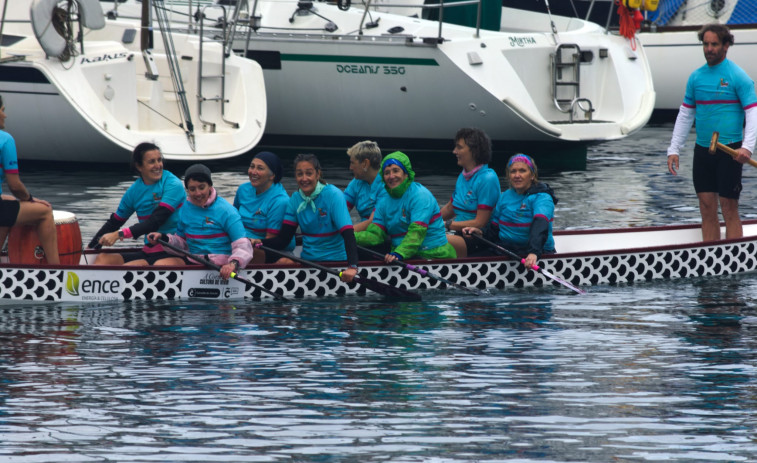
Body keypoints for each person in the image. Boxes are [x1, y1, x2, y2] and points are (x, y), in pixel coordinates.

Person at [666, 23, 757, 241]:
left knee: (728, 208)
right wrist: (674, 149)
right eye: (706, 44)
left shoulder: (738, 76)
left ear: (726, 46)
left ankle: (734, 260)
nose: (709, 49)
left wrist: (747, 147)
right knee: (706, 208)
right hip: (703, 151)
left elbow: (753, 113)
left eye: (714, 44)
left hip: (731, 151)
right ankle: (711, 257)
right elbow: (686, 115)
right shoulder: (696, 78)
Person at [254, 153, 358, 283]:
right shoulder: (296, 199)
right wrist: (257, 242)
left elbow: (348, 234)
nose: (304, 178)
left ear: (318, 174)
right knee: (283, 262)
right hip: (309, 262)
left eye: (309, 173)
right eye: (299, 174)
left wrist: (352, 267)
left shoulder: (333, 195)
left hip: (336, 264)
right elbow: (283, 240)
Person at [147, 164, 252, 280]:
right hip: (194, 261)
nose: (197, 193)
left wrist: (233, 264)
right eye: (192, 189)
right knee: (159, 266)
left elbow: (243, 245)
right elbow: (182, 243)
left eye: (201, 187)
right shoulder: (185, 209)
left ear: (210, 186)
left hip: (222, 268)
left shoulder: (227, 211)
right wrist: (164, 238)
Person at [88, 142, 185, 265]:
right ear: (139, 166)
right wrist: (91, 247)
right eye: (152, 162)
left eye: (159, 160)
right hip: (149, 250)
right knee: (103, 259)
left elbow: (154, 222)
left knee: (128, 267)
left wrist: (119, 234)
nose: (158, 165)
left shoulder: (172, 184)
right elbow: (115, 222)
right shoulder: (134, 191)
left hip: (174, 250)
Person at [355, 151, 456, 262]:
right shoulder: (383, 202)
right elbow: (375, 236)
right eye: (387, 173)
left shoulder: (420, 195)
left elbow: (416, 233)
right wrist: (349, 237)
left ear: (406, 174)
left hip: (433, 256)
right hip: (401, 256)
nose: (391, 176)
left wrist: (399, 253)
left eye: (396, 171)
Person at [463, 153, 556, 269]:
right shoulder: (505, 197)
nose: (517, 175)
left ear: (532, 175)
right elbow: (494, 230)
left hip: (535, 254)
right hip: (507, 250)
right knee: (468, 260)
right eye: (513, 171)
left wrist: (533, 253)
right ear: (508, 176)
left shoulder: (542, 198)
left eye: (522, 171)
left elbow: (540, 224)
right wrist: (480, 232)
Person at [0, 94, 60, 264]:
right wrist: (31, 200)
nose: (5, 115)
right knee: (44, 212)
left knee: (9, 204)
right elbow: (15, 186)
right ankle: (57, 272)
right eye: (2, 110)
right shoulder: (5, 140)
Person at [440, 128, 501, 258]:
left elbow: (480, 222)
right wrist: (426, 221)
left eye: (459, 147)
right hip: (460, 234)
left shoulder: (488, 178)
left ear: (474, 150)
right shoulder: (463, 176)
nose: (454, 151)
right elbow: (450, 208)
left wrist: (446, 224)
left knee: (430, 238)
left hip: (479, 238)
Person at [233, 151, 294, 264]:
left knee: (254, 251)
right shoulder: (243, 190)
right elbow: (232, 220)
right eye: (252, 167)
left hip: (269, 249)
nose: (253, 172)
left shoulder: (280, 201)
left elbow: (271, 240)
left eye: (260, 168)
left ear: (272, 175)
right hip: (242, 245)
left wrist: (247, 245)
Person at [343, 140, 385, 233]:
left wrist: (344, 233)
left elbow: (373, 221)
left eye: (352, 163)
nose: (350, 167)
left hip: (382, 234)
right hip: (362, 233)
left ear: (365, 164)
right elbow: (340, 210)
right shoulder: (356, 182)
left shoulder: (386, 184)